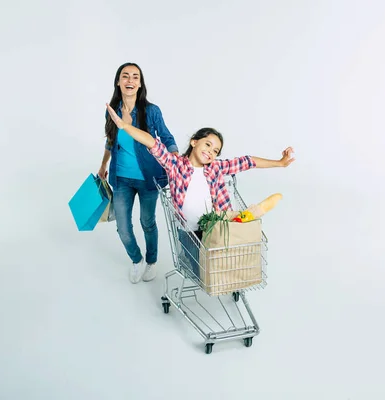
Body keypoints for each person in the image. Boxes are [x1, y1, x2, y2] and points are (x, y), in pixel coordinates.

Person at [105, 104, 295, 276]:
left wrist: (279, 163)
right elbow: (152, 143)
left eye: (215, 151)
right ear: (195, 142)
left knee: (232, 264)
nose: (211, 152)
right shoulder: (175, 165)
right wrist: (125, 126)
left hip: (217, 228)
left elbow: (248, 161)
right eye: (208, 145)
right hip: (189, 233)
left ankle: (235, 254)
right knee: (205, 273)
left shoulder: (216, 168)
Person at [98, 62, 179, 284]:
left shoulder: (151, 111)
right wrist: (103, 165)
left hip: (148, 178)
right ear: (118, 81)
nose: (130, 80)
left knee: (147, 222)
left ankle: (151, 260)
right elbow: (110, 140)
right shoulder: (112, 111)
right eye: (125, 76)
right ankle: (137, 260)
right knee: (122, 227)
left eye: (135, 77)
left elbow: (167, 137)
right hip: (121, 178)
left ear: (140, 83)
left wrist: (176, 160)